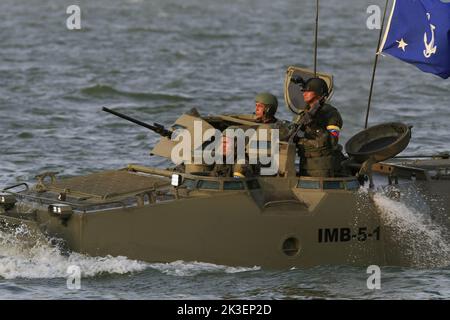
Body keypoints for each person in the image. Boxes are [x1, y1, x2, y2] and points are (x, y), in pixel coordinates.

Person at [294, 78, 346, 177]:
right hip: (305, 165)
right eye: (304, 91)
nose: (304, 93)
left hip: (323, 168)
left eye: (308, 91)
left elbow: (332, 141)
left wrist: (314, 126)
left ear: (318, 93)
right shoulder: (304, 114)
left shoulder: (331, 114)